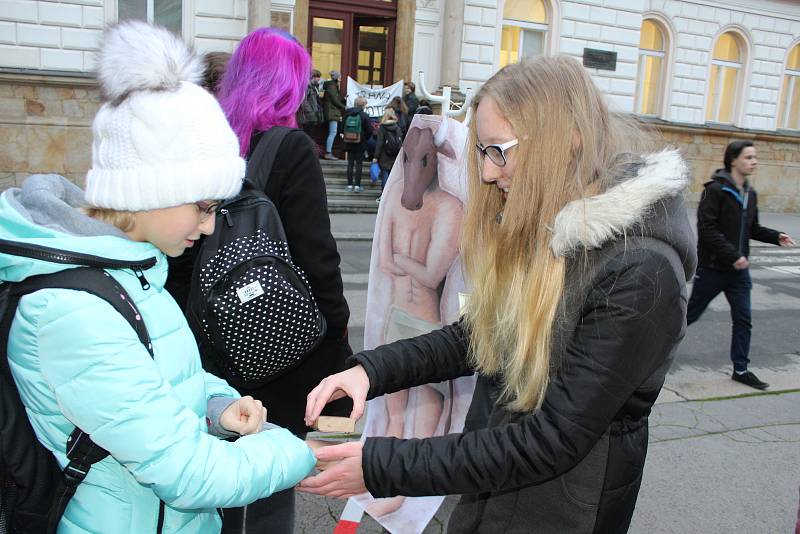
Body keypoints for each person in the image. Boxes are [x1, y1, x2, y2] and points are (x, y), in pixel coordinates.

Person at [300, 55, 698, 534]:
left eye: (499, 151)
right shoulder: (554, 222)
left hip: (562, 511)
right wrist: (370, 371)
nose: (488, 174)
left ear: (565, 138)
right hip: (497, 488)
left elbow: (551, 439)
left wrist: (381, 465)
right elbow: (478, 337)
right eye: (483, 152)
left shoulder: (641, 271)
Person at [0, 21, 315, 533]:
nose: (211, 224)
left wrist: (217, 405)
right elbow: (187, 474)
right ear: (151, 191)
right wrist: (300, 451)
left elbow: (157, 377)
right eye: (204, 205)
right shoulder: (73, 307)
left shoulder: (130, 270)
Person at [213, 28, 353, 533]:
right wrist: (336, 324)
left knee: (221, 474)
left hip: (214, 339)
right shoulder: (290, 147)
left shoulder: (216, 143)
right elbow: (317, 254)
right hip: (276, 345)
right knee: (271, 474)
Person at [686, 141, 795, 390]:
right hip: (713, 269)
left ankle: (741, 369)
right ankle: (654, 354)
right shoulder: (714, 190)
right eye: (748, 157)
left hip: (738, 273)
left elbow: (752, 229)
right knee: (689, 315)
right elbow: (707, 230)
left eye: (755, 157)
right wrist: (733, 255)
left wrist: (775, 236)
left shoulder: (750, 193)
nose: (754, 161)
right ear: (733, 160)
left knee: (743, 319)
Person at [343, 96, 372, 193]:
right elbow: (369, 130)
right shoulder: (364, 115)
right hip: (360, 143)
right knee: (359, 164)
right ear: (363, 105)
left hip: (349, 142)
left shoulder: (347, 113)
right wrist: (364, 139)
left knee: (350, 163)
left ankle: (349, 185)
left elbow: (342, 127)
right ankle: (357, 186)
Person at [372, 107, 401, 198]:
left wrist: (376, 156)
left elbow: (379, 143)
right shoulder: (397, 127)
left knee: (385, 174)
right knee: (393, 176)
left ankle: (384, 194)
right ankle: (391, 195)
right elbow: (400, 142)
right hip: (395, 155)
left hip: (384, 155)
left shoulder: (383, 127)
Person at [322, 70, 346, 160]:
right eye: (340, 77)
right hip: (332, 112)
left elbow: (336, 98)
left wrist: (343, 99)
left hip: (333, 112)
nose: (341, 79)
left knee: (333, 132)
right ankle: (328, 152)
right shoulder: (332, 86)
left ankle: (329, 152)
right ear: (337, 78)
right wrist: (344, 107)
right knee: (333, 132)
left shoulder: (333, 86)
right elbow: (334, 100)